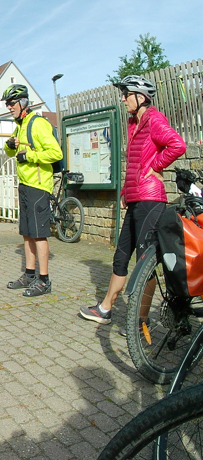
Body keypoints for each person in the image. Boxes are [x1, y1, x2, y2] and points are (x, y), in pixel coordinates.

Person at [80, 75, 186, 324]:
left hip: (151, 199)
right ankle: (105, 309)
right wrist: (126, 191)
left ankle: (141, 319)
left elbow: (177, 145)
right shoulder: (134, 123)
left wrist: (156, 166)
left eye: (126, 94)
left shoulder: (154, 119)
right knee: (121, 255)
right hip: (137, 196)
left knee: (144, 261)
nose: (123, 99)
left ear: (140, 97)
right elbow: (135, 163)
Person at [3, 84, 63, 297]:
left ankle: (44, 280)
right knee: (27, 233)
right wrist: (10, 145)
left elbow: (55, 153)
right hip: (25, 184)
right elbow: (10, 152)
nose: (9, 107)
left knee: (39, 235)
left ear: (23, 102)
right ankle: (29, 275)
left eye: (12, 103)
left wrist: (29, 156)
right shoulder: (20, 125)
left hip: (38, 186)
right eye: (7, 104)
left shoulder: (38, 123)